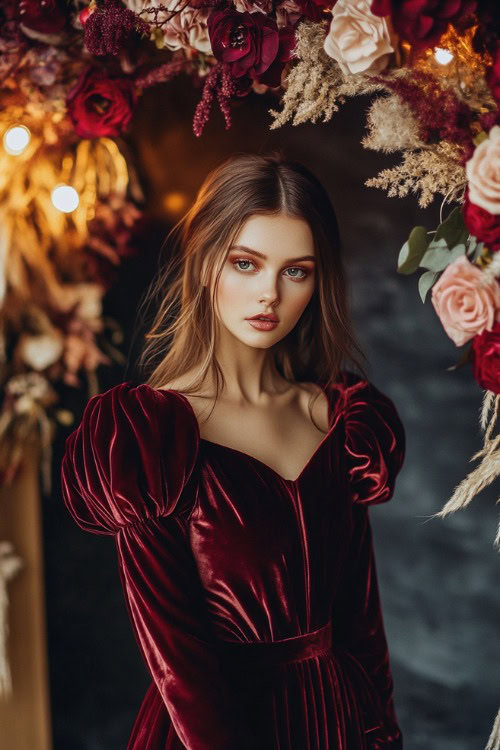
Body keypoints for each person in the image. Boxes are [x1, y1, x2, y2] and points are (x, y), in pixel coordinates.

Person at [60, 152, 406, 749]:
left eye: (296, 271)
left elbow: (360, 624)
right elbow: (179, 664)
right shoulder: (149, 439)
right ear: (203, 264)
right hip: (212, 730)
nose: (269, 293)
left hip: (336, 724)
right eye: (246, 263)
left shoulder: (342, 420)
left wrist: (381, 736)